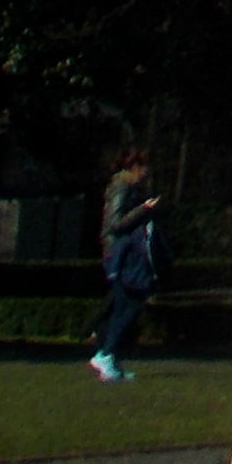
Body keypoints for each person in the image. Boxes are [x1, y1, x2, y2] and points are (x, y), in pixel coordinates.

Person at [91, 152, 162, 381]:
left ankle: (110, 358)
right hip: (122, 256)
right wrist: (144, 209)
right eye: (144, 168)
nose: (146, 174)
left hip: (125, 254)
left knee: (122, 307)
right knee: (127, 306)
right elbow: (116, 223)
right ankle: (105, 353)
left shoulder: (128, 187)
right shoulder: (122, 187)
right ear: (135, 167)